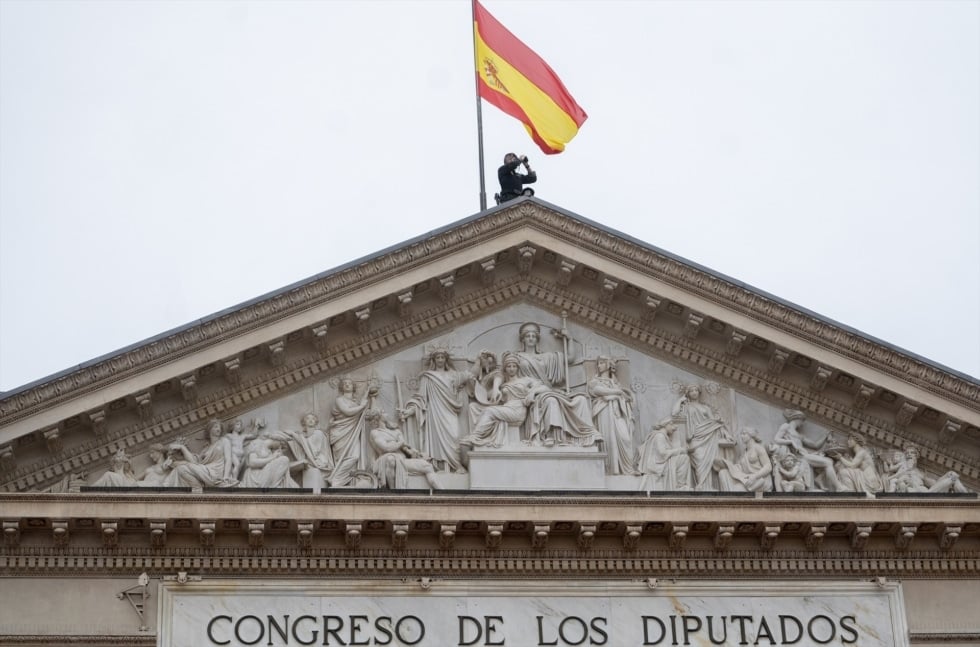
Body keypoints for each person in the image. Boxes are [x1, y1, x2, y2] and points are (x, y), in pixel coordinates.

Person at [511, 322, 598, 448]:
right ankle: (550, 436)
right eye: (527, 336)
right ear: (522, 339)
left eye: (533, 336)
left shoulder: (547, 357)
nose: (531, 338)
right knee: (551, 401)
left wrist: (569, 339)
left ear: (537, 339)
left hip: (547, 390)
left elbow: (570, 358)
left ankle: (588, 434)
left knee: (581, 399)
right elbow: (504, 373)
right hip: (530, 393)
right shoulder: (517, 357)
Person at [399, 348, 472, 473]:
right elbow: (421, 398)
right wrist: (410, 411)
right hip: (434, 411)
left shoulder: (453, 375)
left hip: (450, 410)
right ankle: (441, 466)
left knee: (454, 436)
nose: (440, 360)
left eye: (442, 357)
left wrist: (480, 362)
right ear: (434, 360)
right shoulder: (428, 377)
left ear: (446, 359)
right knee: (436, 440)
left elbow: (469, 375)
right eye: (438, 357)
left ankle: (455, 464)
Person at [671, 384, 734, 491]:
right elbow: (674, 414)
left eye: (696, 390)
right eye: (691, 391)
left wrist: (727, 434)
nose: (694, 392)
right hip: (695, 438)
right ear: (688, 393)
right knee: (700, 461)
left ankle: (707, 487)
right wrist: (680, 401)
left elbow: (715, 423)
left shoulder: (706, 408)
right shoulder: (686, 407)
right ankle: (701, 485)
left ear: (699, 392)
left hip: (709, 437)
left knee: (709, 462)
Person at [588, 356, 638, 474]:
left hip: (617, 413)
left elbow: (627, 398)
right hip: (604, 411)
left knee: (625, 438)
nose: (599, 366)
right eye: (598, 363)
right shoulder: (595, 381)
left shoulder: (615, 383)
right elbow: (597, 390)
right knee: (608, 439)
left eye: (601, 363)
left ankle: (628, 468)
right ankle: (610, 469)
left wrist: (617, 395)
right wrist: (617, 393)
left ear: (608, 365)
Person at [368, 412, 440, 490]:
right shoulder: (375, 433)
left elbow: (405, 448)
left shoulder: (396, 431)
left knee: (427, 466)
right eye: (383, 412)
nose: (386, 414)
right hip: (385, 460)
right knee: (390, 459)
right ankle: (393, 492)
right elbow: (387, 448)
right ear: (378, 417)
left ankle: (441, 490)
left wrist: (413, 452)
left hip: (402, 460)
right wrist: (400, 442)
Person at [328, 376, 377, 487]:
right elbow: (348, 411)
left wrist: (372, 398)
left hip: (354, 433)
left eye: (349, 383)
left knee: (355, 456)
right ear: (341, 387)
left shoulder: (356, 404)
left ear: (353, 387)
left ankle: (341, 480)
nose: (347, 384)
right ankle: (336, 481)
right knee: (343, 458)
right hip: (341, 433)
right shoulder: (339, 400)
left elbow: (369, 415)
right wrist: (362, 406)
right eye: (345, 383)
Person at [164, 419, 233, 488]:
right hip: (206, 471)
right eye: (216, 427)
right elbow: (194, 462)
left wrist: (226, 476)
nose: (219, 429)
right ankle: (198, 488)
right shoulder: (205, 449)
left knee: (186, 466)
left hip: (216, 473)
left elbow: (228, 459)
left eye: (220, 427)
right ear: (209, 429)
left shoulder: (224, 441)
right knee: (181, 469)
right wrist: (182, 450)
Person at [637, 420, 692, 491]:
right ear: (666, 425)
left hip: (662, 462)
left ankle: (680, 485)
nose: (673, 429)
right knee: (684, 458)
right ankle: (680, 485)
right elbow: (662, 453)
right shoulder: (660, 436)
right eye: (671, 425)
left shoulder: (662, 436)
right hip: (658, 464)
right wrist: (679, 450)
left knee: (684, 457)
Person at [715, 428, 773, 492]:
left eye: (744, 434)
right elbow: (739, 469)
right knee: (723, 472)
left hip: (760, 479)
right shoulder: (744, 453)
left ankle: (731, 495)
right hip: (747, 478)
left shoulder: (758, 448)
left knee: (736, 489)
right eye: (741, 434)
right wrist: (726, 464)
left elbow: (768, 467)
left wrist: (755, 476)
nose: (741, 436)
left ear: (751, 435)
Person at [285, 413, 333, 491]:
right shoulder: (303, 436)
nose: (311, 420)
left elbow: (314, 450)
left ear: (316, 422)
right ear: (304, 422)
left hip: (319, 460)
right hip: (312, 461)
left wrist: (294, 435)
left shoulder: (319, 433)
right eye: (308, 418)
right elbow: (304, 443)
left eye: (313, 419)